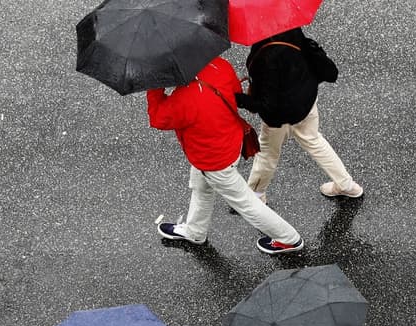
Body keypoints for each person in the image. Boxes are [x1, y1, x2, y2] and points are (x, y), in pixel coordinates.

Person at [148, 57, 304, 255]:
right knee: (200, 186)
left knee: (245, 203)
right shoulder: (218, 65)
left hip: (212, 159)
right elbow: (236, 93)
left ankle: (289, 239)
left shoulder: (183, 99)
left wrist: (155, 86)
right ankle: (195, 231)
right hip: (230, 143)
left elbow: (157, 118)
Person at [236, 28, 362, 202]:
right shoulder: (289, 27)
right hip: (306, 100)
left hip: (281, 115)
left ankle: (255, 195)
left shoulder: (266, 57)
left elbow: (267, 106)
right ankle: (347, 185)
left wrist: (238, 98)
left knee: (267, 152)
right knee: (313, 139)